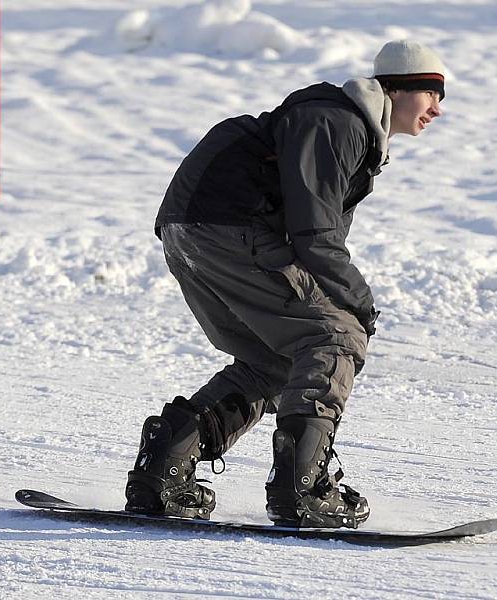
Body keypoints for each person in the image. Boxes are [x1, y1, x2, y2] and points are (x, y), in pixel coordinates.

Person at [124, 40, 445, 528]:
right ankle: (302, 490)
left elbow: (318, 240)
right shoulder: (338, 123)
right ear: (398, 89)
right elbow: (315, 237)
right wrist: (360, 305)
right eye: (432, 94)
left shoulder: (344, 127)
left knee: (273, 357)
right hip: (227, 228)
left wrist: (344, 296)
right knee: (333, 337)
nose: (438, 110)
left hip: (192, 231)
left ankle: (163, 470)